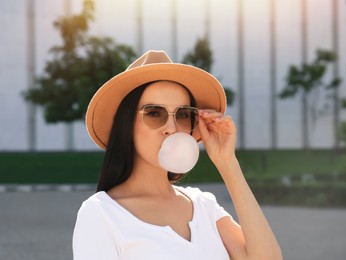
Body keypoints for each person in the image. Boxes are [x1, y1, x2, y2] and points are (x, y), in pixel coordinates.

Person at [72, 50, 282, 260]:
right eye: (154, 113)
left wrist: (227, 163)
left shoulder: (203, 205)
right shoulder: (101, 214)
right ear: (126, 125)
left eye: (182, 115)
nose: (171, 128)